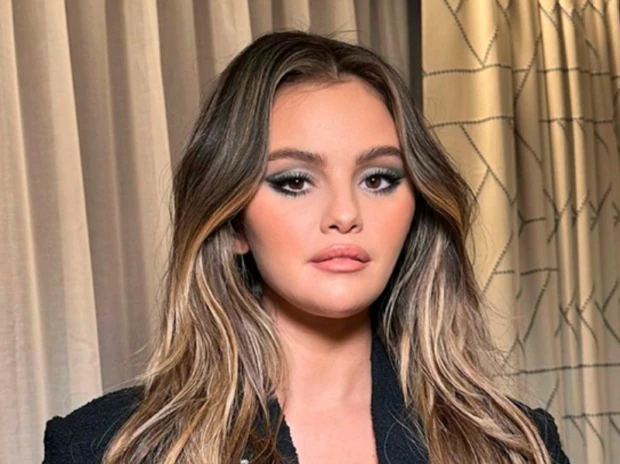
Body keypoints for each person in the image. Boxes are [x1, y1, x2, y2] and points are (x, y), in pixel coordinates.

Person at [43, 30, 570, 464]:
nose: (345, 214)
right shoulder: (107, 449)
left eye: (378, 179)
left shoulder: (514, 447)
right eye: (294, 181)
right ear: (233, 222)